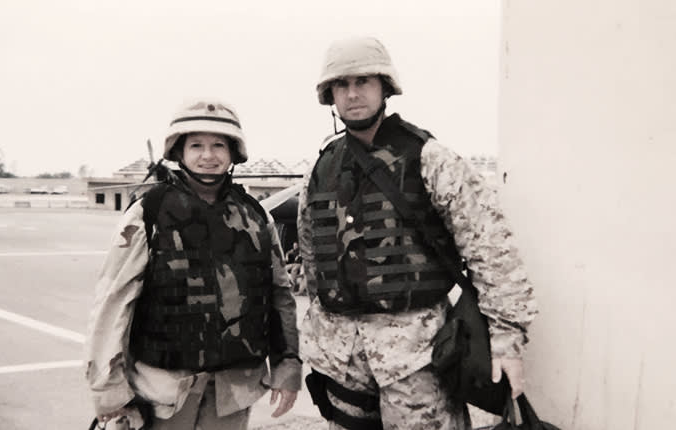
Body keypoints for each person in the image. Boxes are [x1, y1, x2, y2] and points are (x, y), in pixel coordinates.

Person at [296, 36, 538, 429]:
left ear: (385, 87)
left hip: (418, 360)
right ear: (330, 95)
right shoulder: (320, 170)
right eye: (342, 85)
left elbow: (492, 252)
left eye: (363, 82)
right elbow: (312, 260)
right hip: (344, 362)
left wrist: (506, 341)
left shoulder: (431, 159)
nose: (353, 94)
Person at [85, 98, 301, 429]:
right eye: (196, 145)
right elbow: (113, 302)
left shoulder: (257, 217)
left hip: (232, 392)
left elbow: (279, 296)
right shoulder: (149, 213)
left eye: (218, 145)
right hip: (163, 394)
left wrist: (287, 366)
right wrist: (109, 386)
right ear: (179, 152)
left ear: (233, 153)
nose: (208, 155)